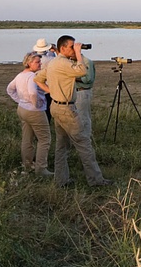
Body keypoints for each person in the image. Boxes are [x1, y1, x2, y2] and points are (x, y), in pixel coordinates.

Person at [34, 35, 111, 188]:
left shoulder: (53, 62)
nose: (74, 48)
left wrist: (52, 92)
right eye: (71, 46)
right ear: (62, 48)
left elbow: (38, 79)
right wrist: (78, 53)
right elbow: (82, 71)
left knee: (61, 146)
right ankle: (96, 181)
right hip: (66, 109)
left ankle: (61, 180)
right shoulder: (63, 63)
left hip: (56, 106)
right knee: (83, 143)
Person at [6, 53, 54, 177]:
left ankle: (27, 165)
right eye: (37, 62)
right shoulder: (32, 76)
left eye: (39, 61)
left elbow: (10, 89)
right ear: (29, 63)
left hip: (22, 109)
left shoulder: (20, 75)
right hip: (34, 111)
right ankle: (41, 168)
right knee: (45, 139)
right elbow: (33, 93)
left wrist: (20, 100)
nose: (40, 64)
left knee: (27, 138)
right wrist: (36, 104)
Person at [32, 38, 57, 121]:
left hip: (35, 86)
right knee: (47, 108)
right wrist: (55, 50)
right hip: (46, 87)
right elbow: (56, 60)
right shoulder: (50, 59)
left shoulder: (33, 59)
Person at [74, 53, 96, 137]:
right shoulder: (74, 61)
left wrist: (72, 78)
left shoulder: (86, 62)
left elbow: (88, 79)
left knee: (83, 116)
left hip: (82, 91)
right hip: (77, 91)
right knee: (78, 115)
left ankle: (86, 136)